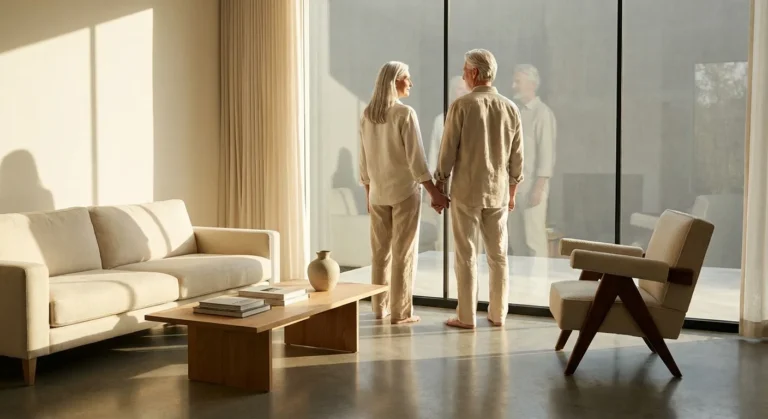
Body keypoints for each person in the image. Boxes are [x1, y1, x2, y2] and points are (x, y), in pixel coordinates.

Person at [434, 49, 524, 329]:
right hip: (497, 192)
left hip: (466, 191)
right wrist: (512, 192)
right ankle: (498, 314)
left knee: (466, 254)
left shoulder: (461, 106)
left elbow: (447, 152)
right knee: (498, 256)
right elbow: (517, 156)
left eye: (464, 69)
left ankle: (466, 316)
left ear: (474, 73)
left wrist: (439, 186)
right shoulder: (510, 108)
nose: (463, 74)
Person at [359, 61, 450, 325]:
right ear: (394, 81)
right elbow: (417, 161)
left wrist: (368, 193)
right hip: (404, 193)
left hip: (377, 193)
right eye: (407, 78)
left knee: (379, 253)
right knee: (403, 253)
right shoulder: (404, 114)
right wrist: (435, 193)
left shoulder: (367, 114)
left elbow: (364, 162)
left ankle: (379, 308)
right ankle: (401, 313)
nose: (411, 83)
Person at [508, 64, 556, 258]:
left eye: (517, 81)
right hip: (513, 189)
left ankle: (538, 286)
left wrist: (538, 188)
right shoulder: (516, 113)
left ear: (532, 84)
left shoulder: (543, 114)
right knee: (516, 242)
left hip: (532, 189)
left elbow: (547, 154)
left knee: (534, 243)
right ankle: (521, 287)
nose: (513, 86)